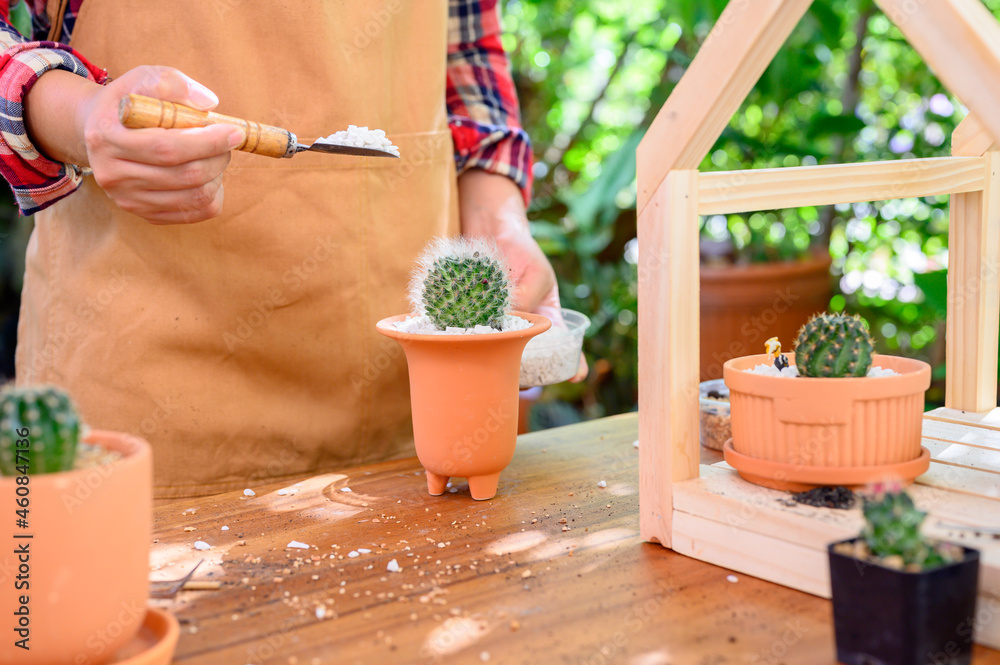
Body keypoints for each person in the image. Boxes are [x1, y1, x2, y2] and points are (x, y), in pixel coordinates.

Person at [0, 0, 584, 497]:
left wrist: (498, 217)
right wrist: (83, 118)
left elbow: (468, 54)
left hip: (410, 414)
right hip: (146, 404)